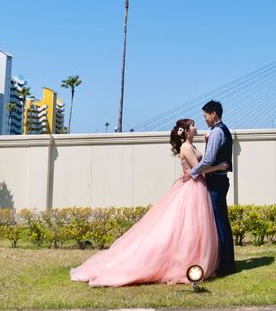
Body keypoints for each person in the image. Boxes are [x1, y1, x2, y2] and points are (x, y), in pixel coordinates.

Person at [70, 118, 227, 287]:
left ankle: (193, 260)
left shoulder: (191, 146)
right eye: (193, 125)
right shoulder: (186, 147)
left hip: (196, 187)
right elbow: (199, 169)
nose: (196, 127)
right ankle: (185, 263)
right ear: (187, 131)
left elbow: (199, 165)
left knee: (194, 228)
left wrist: (208, 142)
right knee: (186, 227)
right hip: (192, 187)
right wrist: (219, 167)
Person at [183, 100, 235, 276]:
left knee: (219, 223)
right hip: (220, 179)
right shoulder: (221, 130)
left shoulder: (217, 132)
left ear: (214, 114)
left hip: (216, 182)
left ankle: (226, 265)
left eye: (205, 115)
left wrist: (192, 173)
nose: (204, 119)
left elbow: (208, 159)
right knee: (221, 222)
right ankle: (226, 261)